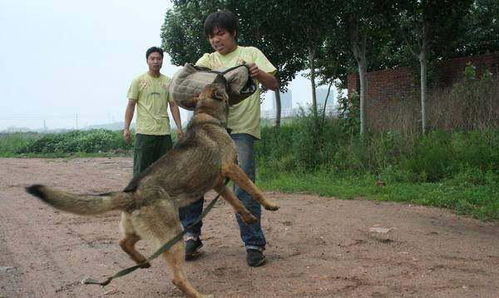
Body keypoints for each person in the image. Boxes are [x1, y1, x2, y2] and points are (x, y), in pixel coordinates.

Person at [179, 10, 278, 267]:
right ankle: (191, 236)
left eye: (221, 33)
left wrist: (258, 74)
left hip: (242, 129)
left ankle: (253, 243)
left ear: (233, 32)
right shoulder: (207, 60)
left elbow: (274, 83)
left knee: (243, 185)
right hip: (210, 130)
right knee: (194, 181)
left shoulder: (251, 53)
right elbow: (191, 84)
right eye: (212, 36)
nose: (216, 39)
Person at [123, 46, 183, 177]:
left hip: (164, 133)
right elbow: (131, 105)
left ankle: (161, 197)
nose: (156, 61)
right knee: (141, 171)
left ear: (162, 61)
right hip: (144, 133)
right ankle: (137, 197)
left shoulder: (168, 81)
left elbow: (173, 105)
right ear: (147, 61)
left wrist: (179, 127)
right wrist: (126, 128)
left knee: (165, 170)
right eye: (152, 58)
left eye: (159, 59)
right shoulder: (138, 81)